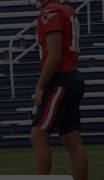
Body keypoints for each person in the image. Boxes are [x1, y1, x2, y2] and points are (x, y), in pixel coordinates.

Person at [29, 0, 88, 180]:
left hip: (61, 79)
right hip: (72, 77)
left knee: (38, 133)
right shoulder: (67, 10)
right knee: (72, 139)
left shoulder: (51, 12)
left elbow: (54, 57)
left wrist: (40, 87)